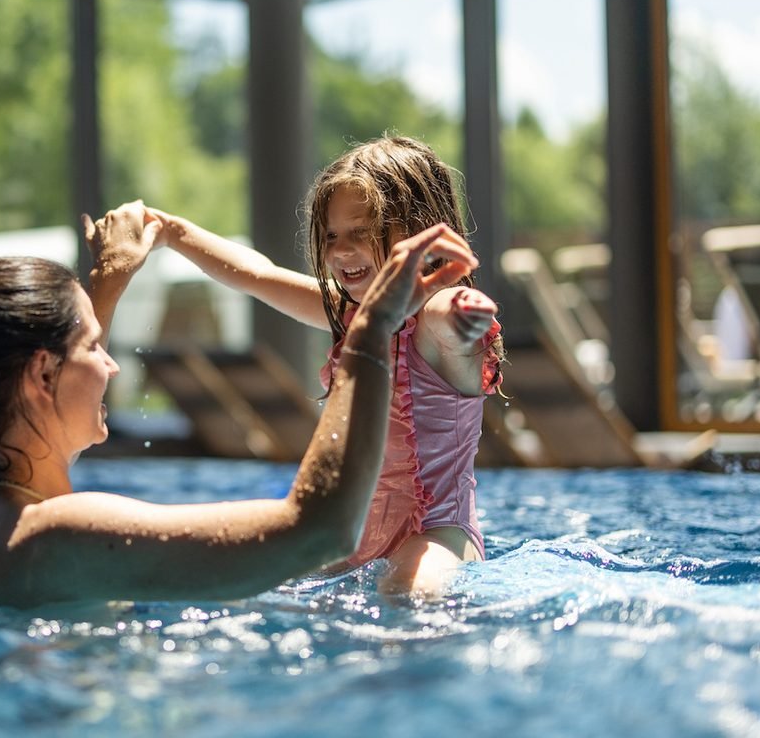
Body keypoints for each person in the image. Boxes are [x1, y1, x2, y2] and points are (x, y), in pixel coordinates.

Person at [0, 201, 481, 609]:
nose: (110, 364)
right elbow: (319, 531)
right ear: (40, 375)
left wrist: (109, 277)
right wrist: (370, 332)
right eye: (93, 347)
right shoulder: (63, 535)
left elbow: (32, 427)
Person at [145, 135, 504, 596]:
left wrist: (464, 312)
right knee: (258, 579)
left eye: (362, 232)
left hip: (437, 532)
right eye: (332, 236)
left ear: (417, 232)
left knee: (408, 590)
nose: (340, 251)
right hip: (355, 533)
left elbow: (447, 314)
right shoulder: (352, 315)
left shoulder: (433, 320)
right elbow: (258, 275)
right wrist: (172, 231)